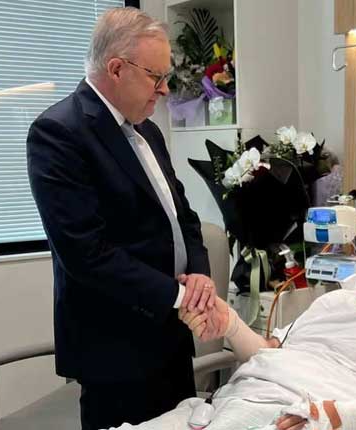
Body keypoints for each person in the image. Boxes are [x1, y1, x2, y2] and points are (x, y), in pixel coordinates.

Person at [26, 7, 216, 430]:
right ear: (116, 68)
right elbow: (86, 254)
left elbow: (183, 217)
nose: (165, 89)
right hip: (116, 351)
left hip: (171, 337)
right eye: (156, 76)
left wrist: (200, 276)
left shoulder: (148, 131)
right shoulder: (59, 133)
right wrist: (181, 296)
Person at [122, 224, 356, 430]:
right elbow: (271, 355)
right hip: (230, 401)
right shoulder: (334, 302)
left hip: (297, 414)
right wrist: (230, 324)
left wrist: (339, 418)